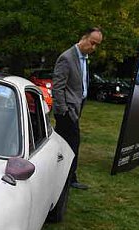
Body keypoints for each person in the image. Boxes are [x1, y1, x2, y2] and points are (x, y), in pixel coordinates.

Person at [52, 27, 103, 190]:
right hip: (67, 111)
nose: (94, 47)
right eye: (92, 43)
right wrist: (63, 110)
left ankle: (62, 175)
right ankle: (70, 178)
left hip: (76, 108)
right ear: (84, 38)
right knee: (71, 144)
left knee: (64, 145)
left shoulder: (84, 58)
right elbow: (58, 87)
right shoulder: (67, 58)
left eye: (97, 45)